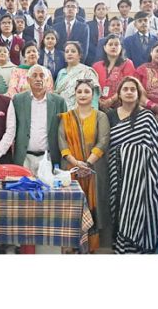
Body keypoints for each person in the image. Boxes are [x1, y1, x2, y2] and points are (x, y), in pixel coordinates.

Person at [107, 77, 158, 253]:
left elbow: (154, 146)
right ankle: (121, 243)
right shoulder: (110, 115)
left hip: (142, 175)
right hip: (116, 170)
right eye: (125, 89)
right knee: (118, 206)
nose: (129, 92)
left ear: (139, 93)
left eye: (133, 89)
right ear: (119, 94)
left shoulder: (147, 116)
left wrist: (130, 152)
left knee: (140, 207)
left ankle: (139, 243)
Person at [58, 79, 109, 252]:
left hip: (93, 170)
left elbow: (103, 141)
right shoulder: (67, 117)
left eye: (87, 91)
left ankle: (90, 246)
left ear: (93, 94)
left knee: (91, 204)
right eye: (79, 92)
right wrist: (75, 163)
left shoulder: (100, 116)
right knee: (71, 206)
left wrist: (86, 164)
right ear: (75, 94)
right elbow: (62, 142)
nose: (83, 95)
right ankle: (70, 245)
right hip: (71, 170)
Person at [13, 65, 67, 173]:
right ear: (28, 80)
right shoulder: (18, 100)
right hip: (24, 158)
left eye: (42, 76)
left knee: (48, 189)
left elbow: (65, 131)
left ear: (47, 80)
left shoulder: (59, 102)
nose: (38, 79)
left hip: (49, 158)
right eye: (34, 76)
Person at [93, 34, 136, 111]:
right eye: (110, 44)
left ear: (121, 48)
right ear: (104, 48)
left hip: (121, 107)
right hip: (99, 106)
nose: (113, 47)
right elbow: (92, 87)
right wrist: (99, 101)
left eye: (116, 44)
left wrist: (111, 100)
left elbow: (129, 85)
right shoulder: (96, 66)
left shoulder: (127, 64)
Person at [54, 41, 100, 109]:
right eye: (67, 52)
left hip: (81, 113)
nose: (69, 54)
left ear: (79, 55)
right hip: (61, 112)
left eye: (73, 51)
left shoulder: (87, 71)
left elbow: (94, 97)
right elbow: (56, 93)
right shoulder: (61, 73)